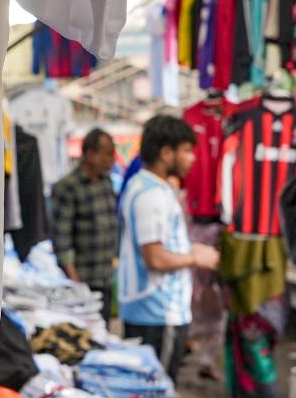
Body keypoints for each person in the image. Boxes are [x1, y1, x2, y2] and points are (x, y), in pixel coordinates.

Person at [117, 115, 219, 380]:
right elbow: (155, 258)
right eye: (186, 151)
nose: (193, 158)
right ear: (165, 152)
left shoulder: (146, 186)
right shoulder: (151, 195)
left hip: (153, 312)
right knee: (155, 396)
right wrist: (195, 258)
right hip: (158, 314)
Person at [52, 128, 119, 321]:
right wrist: (76, 284)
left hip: (105, 279)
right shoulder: (68, 187)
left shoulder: (106, 183)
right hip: (82, 285)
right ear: (90, 154)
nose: (112, 159)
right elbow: (62, 241)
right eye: (108, 154)